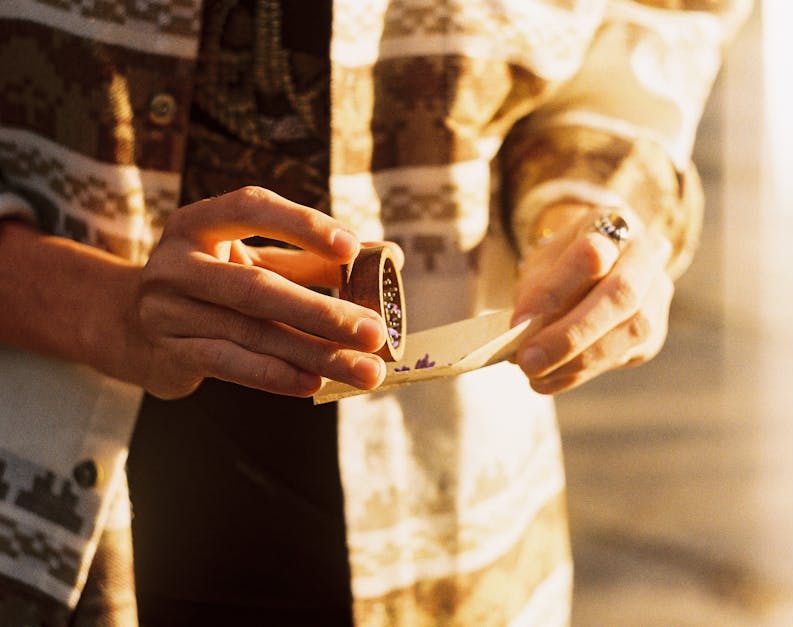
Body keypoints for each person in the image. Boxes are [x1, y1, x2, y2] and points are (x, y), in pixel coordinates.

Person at [0, 0, 750, 624]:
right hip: (45, 531)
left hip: (458, 541)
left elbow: (652, 26)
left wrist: (596, 206)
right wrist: (100, 307)